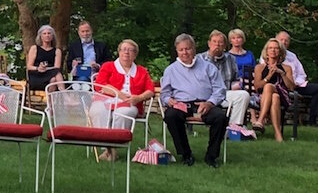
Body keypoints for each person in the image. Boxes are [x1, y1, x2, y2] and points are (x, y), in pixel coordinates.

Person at [159, 33, 228, 167]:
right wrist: (169, 100)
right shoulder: (171, 70)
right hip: (182, 104)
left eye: (188, 48)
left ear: (194, 49)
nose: (185, 52)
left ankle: (211, 156)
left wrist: (210, 103)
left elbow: (220, 89)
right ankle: (186, 154)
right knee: (171, 116)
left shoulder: (208, 67)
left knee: (220, 117)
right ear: (177, 51)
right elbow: (165, 93)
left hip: (205, 103)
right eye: (181, 50)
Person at [91, 39, 155, 158]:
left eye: (130, 50)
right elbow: (99, 85)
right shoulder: (108, 66)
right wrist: (118, 94)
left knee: (123, 113)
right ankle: (106, 146)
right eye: (124, 49)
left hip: (130, 102)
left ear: (135, 55)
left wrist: (139, 98)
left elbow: (150, 90)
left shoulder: (142, 71)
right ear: (119, 52)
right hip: (105, 99)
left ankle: (114, 147)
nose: (126, 52)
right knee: (98, 110)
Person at [275, 30, 318, 125]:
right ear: (276, 40)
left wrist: (297, 83)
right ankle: (279, 120)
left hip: (296, 85)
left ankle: (312, 120)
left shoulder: (292, 56)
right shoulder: (269, 53)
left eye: (286, 40)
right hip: (280, 85)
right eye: (281, 40)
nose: (284, 42)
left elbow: (302, 74)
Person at [205, 30, 251, 128]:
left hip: (224, 93)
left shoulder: (231, 59)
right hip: (205, 94)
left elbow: (236, 79)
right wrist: (211, 57)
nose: (217, 45)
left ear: (225, 45)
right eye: (214, 42)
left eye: (220, 42)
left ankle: (233, 127)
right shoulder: (200, 59)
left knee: (243, 95)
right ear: (209, 44)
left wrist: (239, 84)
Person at [252, 37, 296, 140]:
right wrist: (268, 76)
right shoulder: (259, 68)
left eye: (276, 48)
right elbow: (257, 87)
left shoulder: (286, 68)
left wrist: (282, 74)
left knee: (269, 87)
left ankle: (260, 120)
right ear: (266, 51)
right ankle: (278, 134)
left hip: (283, 96)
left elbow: (291, 87)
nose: (273, 50)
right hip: (264, 97)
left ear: (280, 51)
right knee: (274, 97)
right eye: (270, 48)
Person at [25, 24, 63, 95]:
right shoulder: (34, 48)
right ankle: (65, 96)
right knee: (56, 76)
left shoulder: (57, 51)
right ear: (41, 36)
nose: (47, 35)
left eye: (49, 33)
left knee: (54, 78)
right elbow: (29, 66)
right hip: (36, 75)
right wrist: (38, 68)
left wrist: (46, 68)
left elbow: (57, 67)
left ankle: (50, 103)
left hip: (50, 74)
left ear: (52, 36)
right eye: (44, 34)